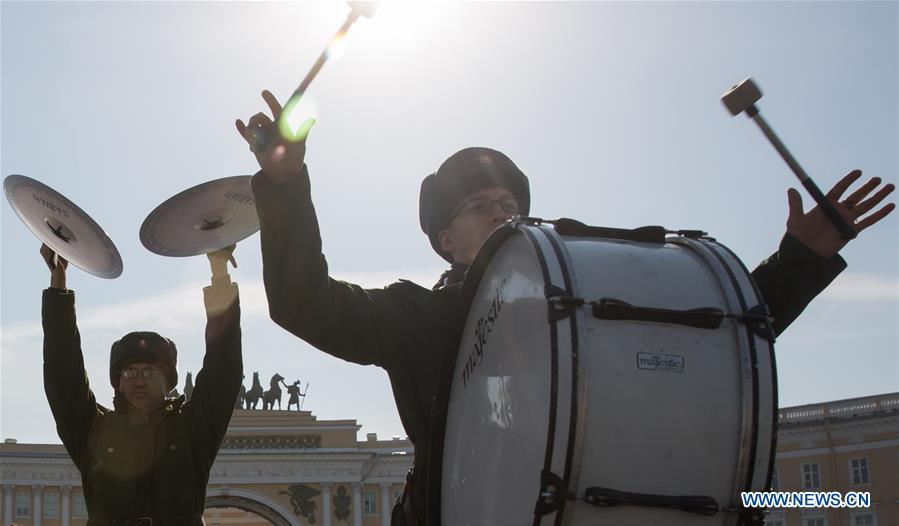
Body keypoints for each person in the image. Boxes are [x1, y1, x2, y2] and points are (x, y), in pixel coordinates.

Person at [236, 90, 894, 525]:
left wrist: (802, 257)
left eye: (509, 206)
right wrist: (284, 189)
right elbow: (304, 303)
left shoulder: (578, 297)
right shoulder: (419, 318)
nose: (500, 213)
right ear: (444, 241)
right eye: (478, 207)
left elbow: (712, 341)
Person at [41, 244, 243, 524]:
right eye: (128, 373)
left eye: (150, 372)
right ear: (117, 384)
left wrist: (219, 273)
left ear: (168, 383)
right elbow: (62, 374)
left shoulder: (193, 430)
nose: (138, 380)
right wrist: (58, 287)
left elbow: (224, 368)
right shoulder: (92, 430)